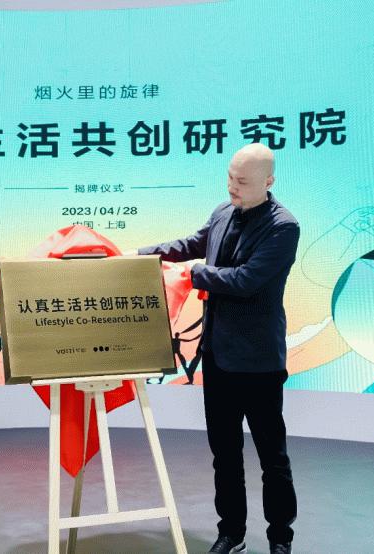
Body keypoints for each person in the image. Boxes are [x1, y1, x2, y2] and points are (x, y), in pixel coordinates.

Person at [133, 143, 299, 554]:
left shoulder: (283, 227)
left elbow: (245, 280)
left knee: (272, 458)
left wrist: (194, 273)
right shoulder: (223, 211)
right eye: (229, 177)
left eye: (242, 181)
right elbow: (192, 243)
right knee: (224, 455)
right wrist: (139, 257)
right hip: (219, 358)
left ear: (269, 181)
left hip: (259, 363)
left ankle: (280, 538)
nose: (232, 187)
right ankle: (231, 533)